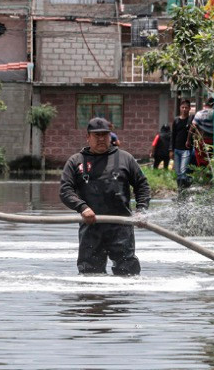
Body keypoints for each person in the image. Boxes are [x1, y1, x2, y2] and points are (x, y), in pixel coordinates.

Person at [60, 117, 151, 276]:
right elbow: (65, 190)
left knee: (127, 272)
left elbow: (142, 185)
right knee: (90, 274)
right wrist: (82, 207)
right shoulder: (76, 162)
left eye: (105, 135)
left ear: (110, 136)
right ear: (88, 137)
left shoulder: (125, 158)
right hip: (91, 226)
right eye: (97, 135)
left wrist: (141, 210)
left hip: (121, 226)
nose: (101, 139)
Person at [171, 99, 194, 190]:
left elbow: (194, 130)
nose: (184, 109)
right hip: (176, 150)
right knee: (178, 172)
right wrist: (171, 150)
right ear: (180, 108)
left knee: (183, 171)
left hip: (186, 150)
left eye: (186, 108)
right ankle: (180, 192)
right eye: (182, 107)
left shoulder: (191, 119)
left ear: (189, 109)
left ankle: (183, 191)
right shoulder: (176, 120)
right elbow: (172, 135)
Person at [189, 97, 214, 167]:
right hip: (213, 141)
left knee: (202, 162)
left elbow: (193, 127)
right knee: (212, 161)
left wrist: (188, 140)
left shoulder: (199, 114)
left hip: (202, 141)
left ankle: (203, 176)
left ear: (205, 104)